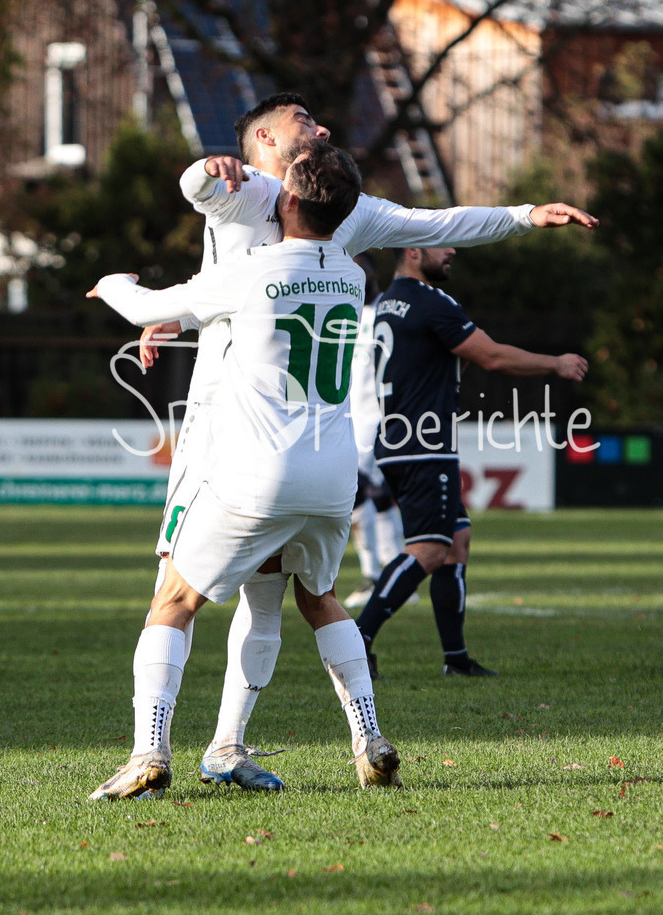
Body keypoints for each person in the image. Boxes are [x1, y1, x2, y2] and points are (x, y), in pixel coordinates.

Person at [139, 92, 599, 790]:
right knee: (234, 591)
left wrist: (524, 215)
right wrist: (208, 170)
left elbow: (439, 221)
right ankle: (219, 745)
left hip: (272, 433)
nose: (320, 127)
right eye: (304, 122)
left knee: (230, 596)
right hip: (223, 422)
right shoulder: (246, 189)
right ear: (263, 137)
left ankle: (215, 746)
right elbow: (196, 189)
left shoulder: (339, 209)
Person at [87, 140, 403, 800]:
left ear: (285, 199)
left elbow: (148, 307)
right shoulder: (352, 272)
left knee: (173, 602)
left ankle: (149, 750)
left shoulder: (254, 268)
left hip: (259, 472)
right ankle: (369, 737)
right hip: (333, 479)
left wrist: (114, 285)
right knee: (317, 601)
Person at [355, 245, 589, 679]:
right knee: (429, 549)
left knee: (456, 542)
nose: (452, 249)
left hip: (400, 438)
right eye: (441, 243)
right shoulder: (430, 302)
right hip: (423, 444)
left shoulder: (387, 302)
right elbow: (493, 357)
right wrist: (554, 362)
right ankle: (356, 642)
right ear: (412, 250)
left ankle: (456, 658)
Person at [345, 252, 405, 609]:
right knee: (377, 494)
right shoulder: (345, 314)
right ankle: (395, 573)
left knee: (356, 492)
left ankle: (375, 575)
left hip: (377, 419)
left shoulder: (387, 313)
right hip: (348, 418)